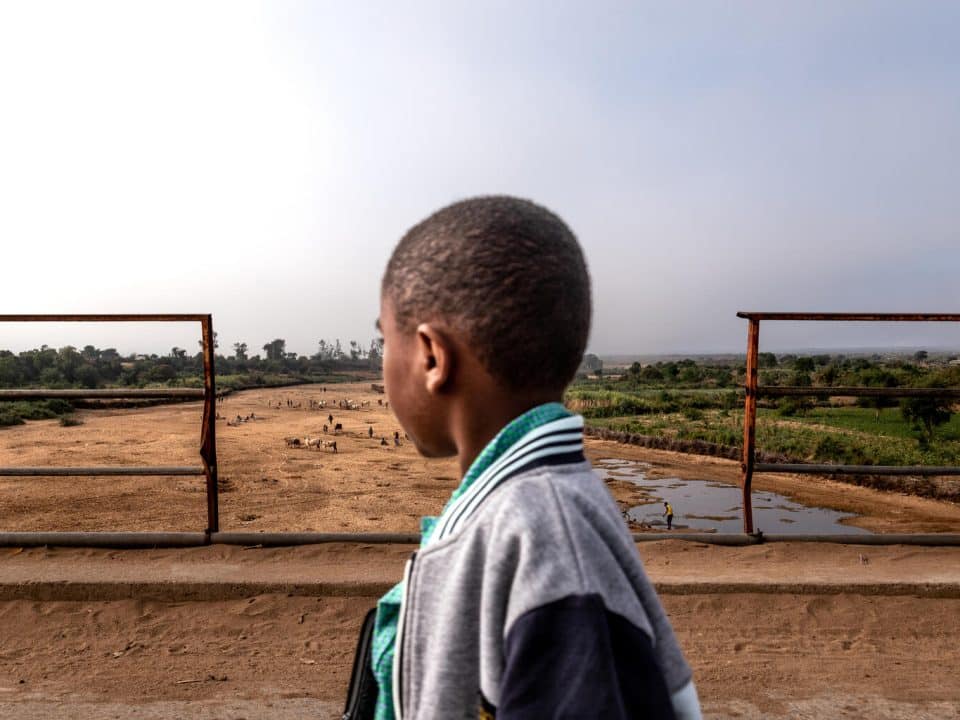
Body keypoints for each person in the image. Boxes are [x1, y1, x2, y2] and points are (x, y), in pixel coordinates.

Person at [370, 196, 701, 719]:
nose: (382, 361)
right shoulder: (522, 518)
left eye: (384, 340)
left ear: (432, 357)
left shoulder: (549, 543)